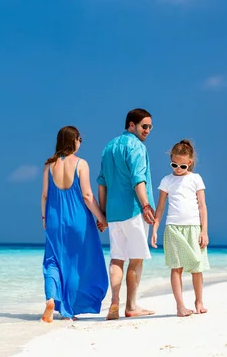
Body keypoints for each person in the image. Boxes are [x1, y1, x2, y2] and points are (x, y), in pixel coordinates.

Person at [40, 125, 109, 323]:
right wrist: (102, 218)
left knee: (52, 261)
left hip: (53, 219)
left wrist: (44, 218)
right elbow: (87, 196)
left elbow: (45, 195)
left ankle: (51, 298)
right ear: (74, 140)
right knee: (74, 263)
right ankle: (68, 311)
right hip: (78, 219)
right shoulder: (81, 164)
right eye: (80, 139)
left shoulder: (49, 164)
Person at [96, 108, 156, 320]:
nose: (148, 130)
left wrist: (102, 213)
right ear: (131, 125)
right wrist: (146, 205)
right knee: (136, 259)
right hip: (133, 210)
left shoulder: (108, 147)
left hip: (113, 213)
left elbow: (102, 183)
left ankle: (114, 300)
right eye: (144, 126)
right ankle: (131, 306)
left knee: (117, 259)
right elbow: (138, 179)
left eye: (150, 127)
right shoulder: (136, 147)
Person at [151, 139, 209, 317]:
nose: (178, 169)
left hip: (193, 228)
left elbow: (202, 206)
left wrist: (204, 230)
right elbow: (160, 207)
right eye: (174, 164)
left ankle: (199, 301)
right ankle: (180, 306)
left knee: (197, 267)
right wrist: (154, 228)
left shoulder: (195, 179)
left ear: (189, 163)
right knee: (176, 268)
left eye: (182, 166)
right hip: (173, 228)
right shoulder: (167, 180)